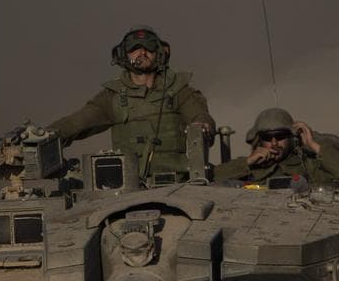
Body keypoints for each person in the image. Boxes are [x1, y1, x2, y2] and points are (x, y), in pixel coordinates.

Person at [48, 25, 215, 178]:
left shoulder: (178, 89)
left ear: (160, 53)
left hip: (180, 181)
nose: (142, 52)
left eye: (148, 47)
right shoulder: (111, 97)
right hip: (129, 186)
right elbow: (73, 124)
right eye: (134, 48)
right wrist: (41, 135)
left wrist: (203, 126)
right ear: (123, 55)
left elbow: (200, 116)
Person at [212, 107, 339, 189]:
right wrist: (247, 162)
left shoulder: (307, 164)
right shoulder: (250, 167)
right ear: (259, 140)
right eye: (267, 138)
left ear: (291, 137)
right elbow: (207, 180)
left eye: (280, 136)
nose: (274, 143)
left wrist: (313, 145)